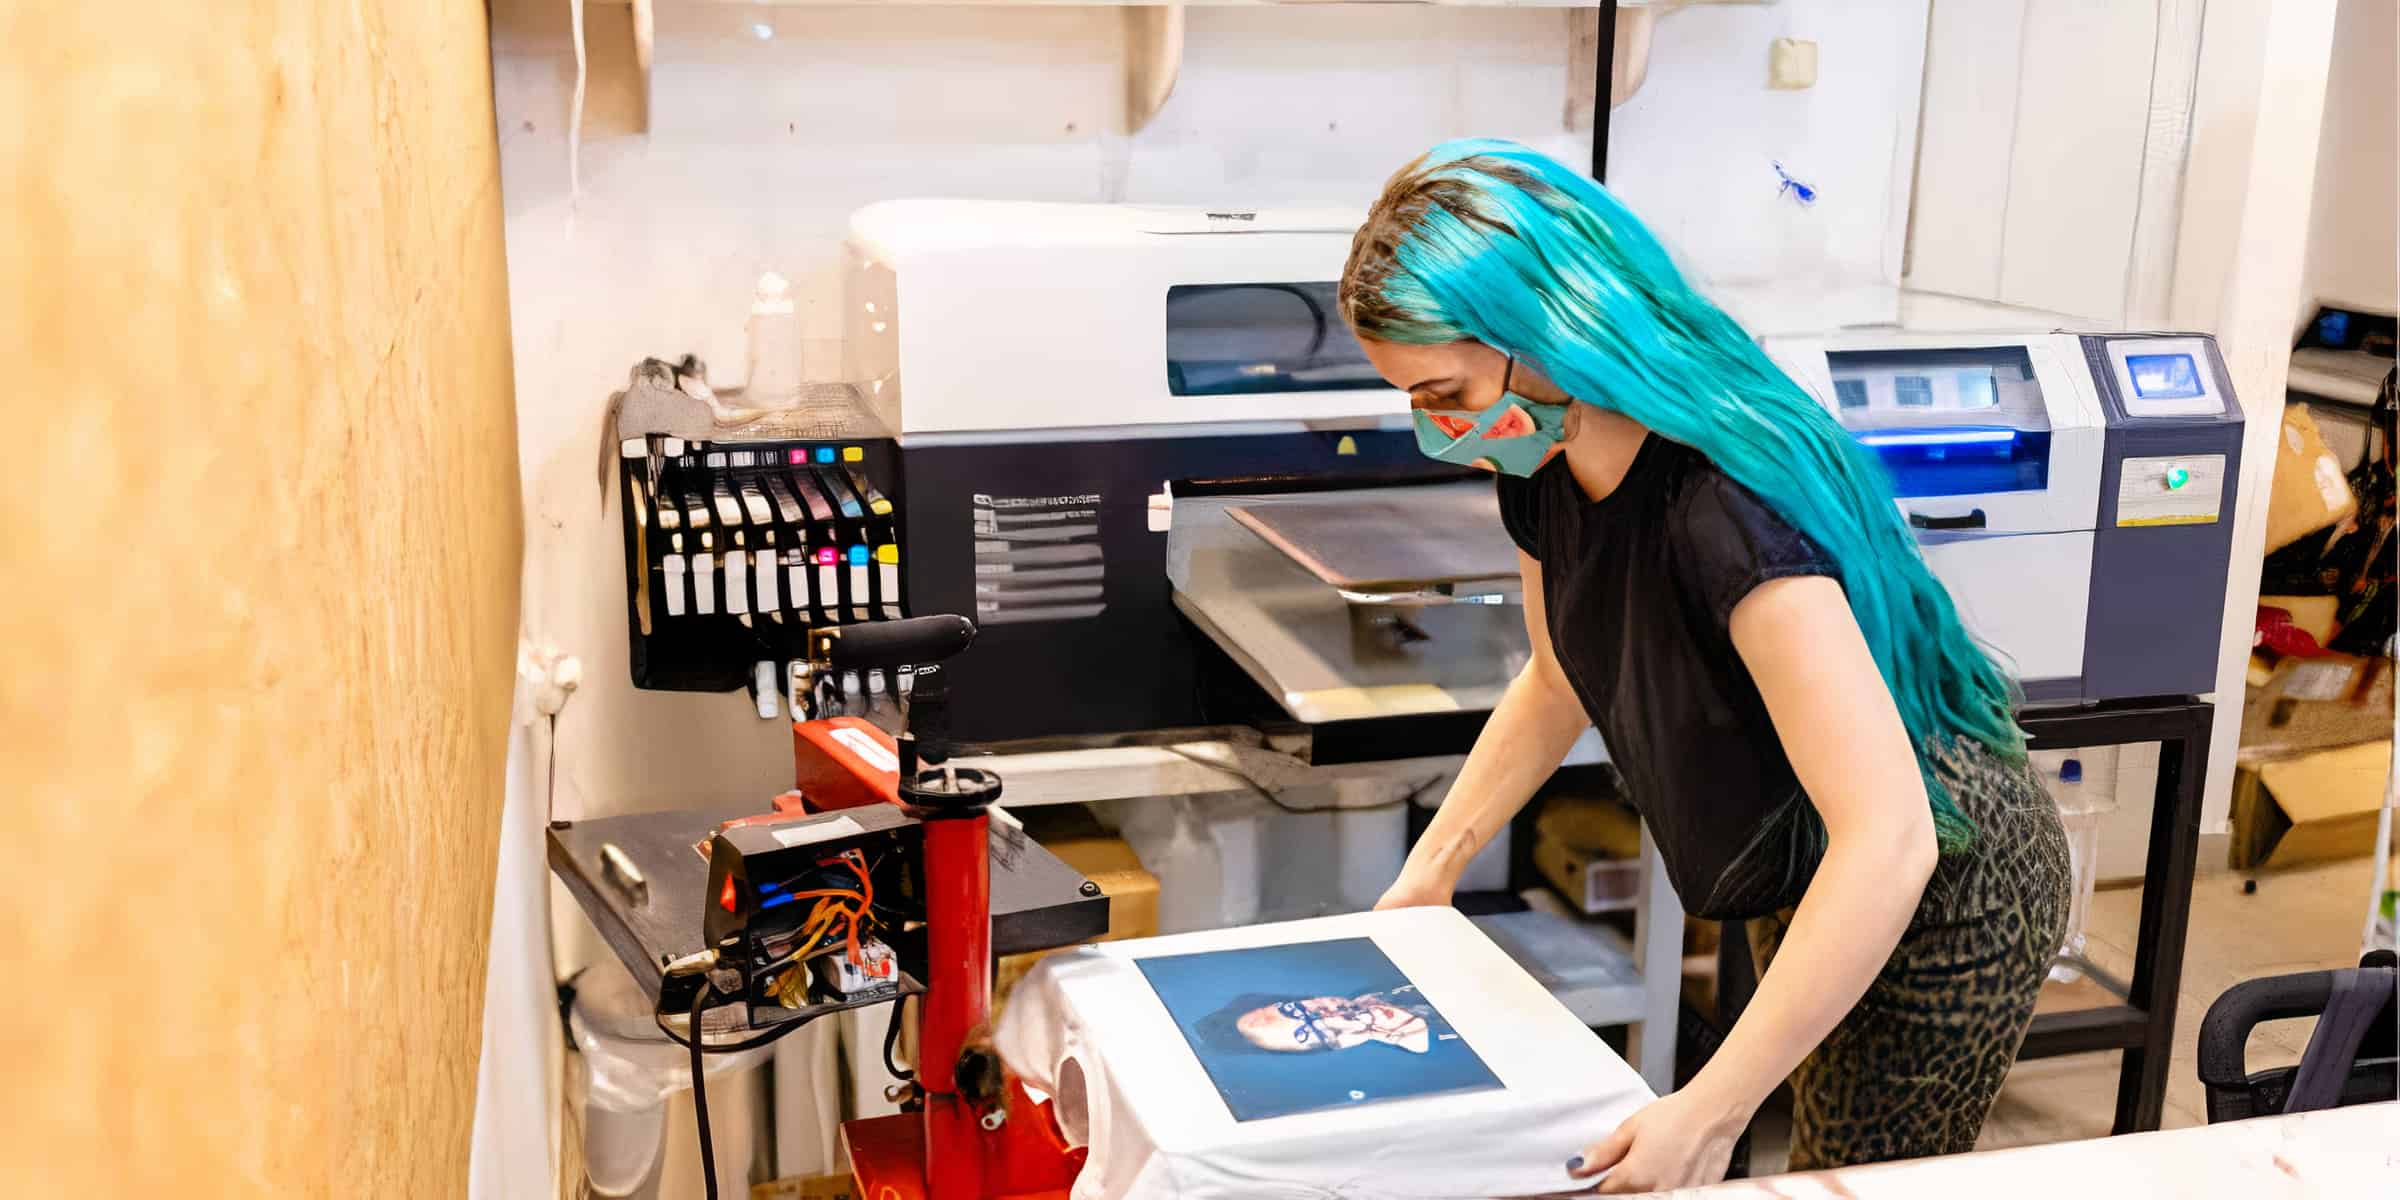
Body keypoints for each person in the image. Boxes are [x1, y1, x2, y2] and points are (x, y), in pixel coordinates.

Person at [1338, 140, 2071, 1189]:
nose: (1435, 429)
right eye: (1413, 400)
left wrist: (1714, 1111)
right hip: (1807, 846)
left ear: (1542, 331)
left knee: (1853, 1168)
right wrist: (1428, 876)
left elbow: (1890, 836)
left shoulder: (1723, 506)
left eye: (1446, 391)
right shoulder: (1540, 465)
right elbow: (1555, 683)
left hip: (1941, 873)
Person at [1194, 989, 1443, 1056]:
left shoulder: (1377, 991)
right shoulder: (1433, 1042)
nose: (1328, 1013)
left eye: (1293, 1009)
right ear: (1343, 1044)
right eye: (1307, 1030)